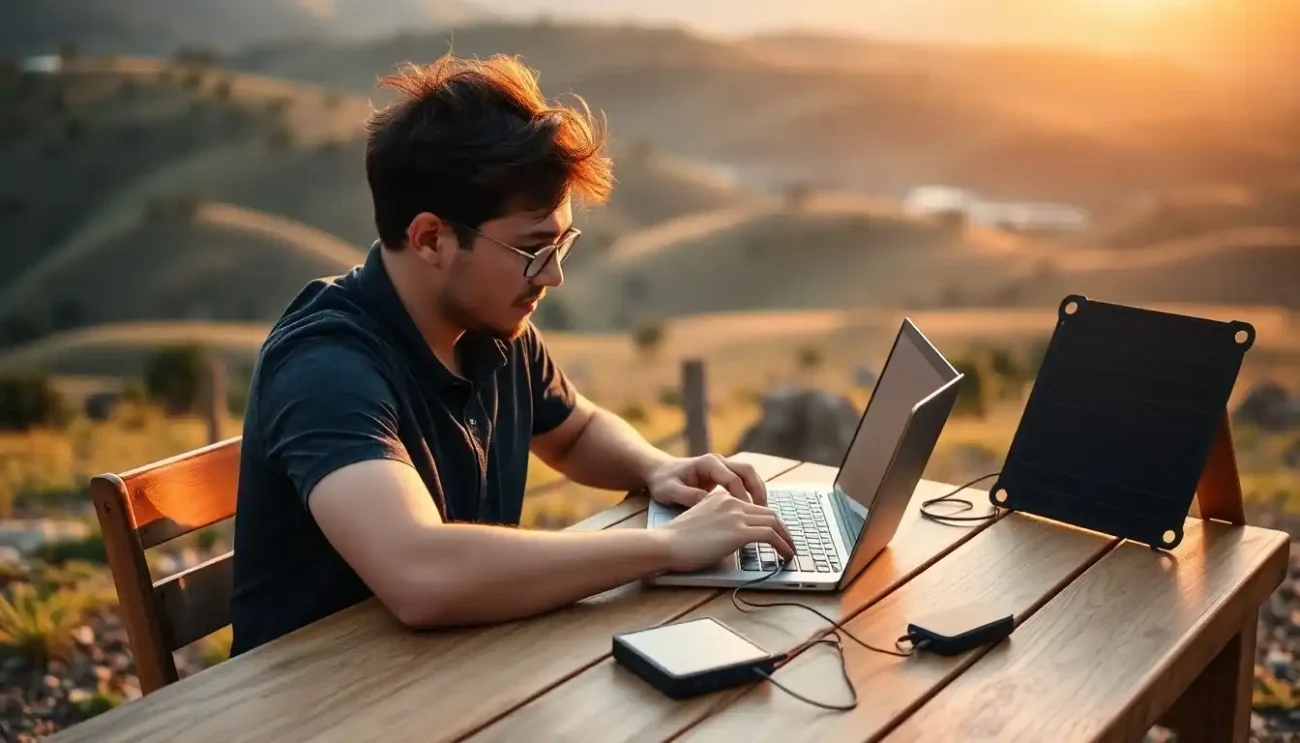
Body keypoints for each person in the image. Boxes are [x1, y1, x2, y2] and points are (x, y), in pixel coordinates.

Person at [228, 54, 795, 656]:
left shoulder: (490, 325)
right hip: (322, 691)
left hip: (457, 665)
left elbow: (575, 431)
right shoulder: (326, 367)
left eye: (561, 245)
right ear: (431, 239)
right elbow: (420, 574)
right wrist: (668, 546)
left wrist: (656, 468)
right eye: (532, 249)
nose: (552, 276)